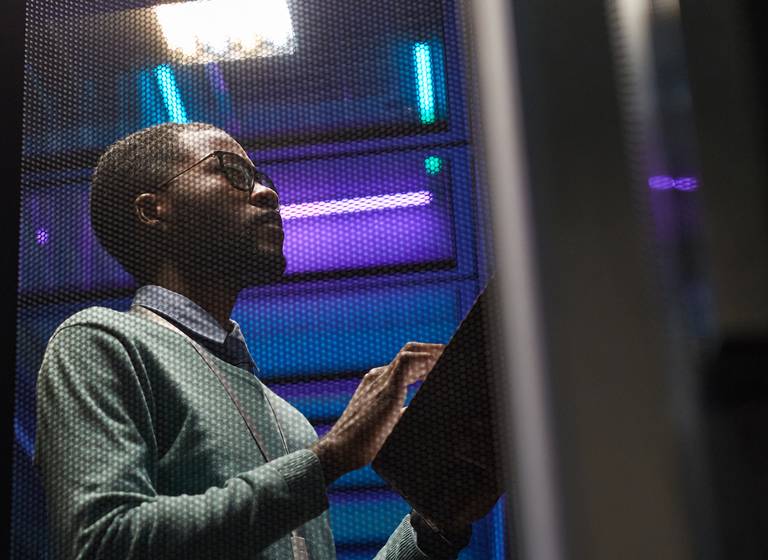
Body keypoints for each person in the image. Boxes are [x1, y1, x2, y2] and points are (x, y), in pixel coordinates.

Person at [34, 122, 493, 560]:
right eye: (231, 171)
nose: (268, 192)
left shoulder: (289, 421)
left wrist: (432, 527)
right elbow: (103, 544)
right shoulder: (101, 343)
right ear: (155, 209)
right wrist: (330, 457)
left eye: (260, 177)